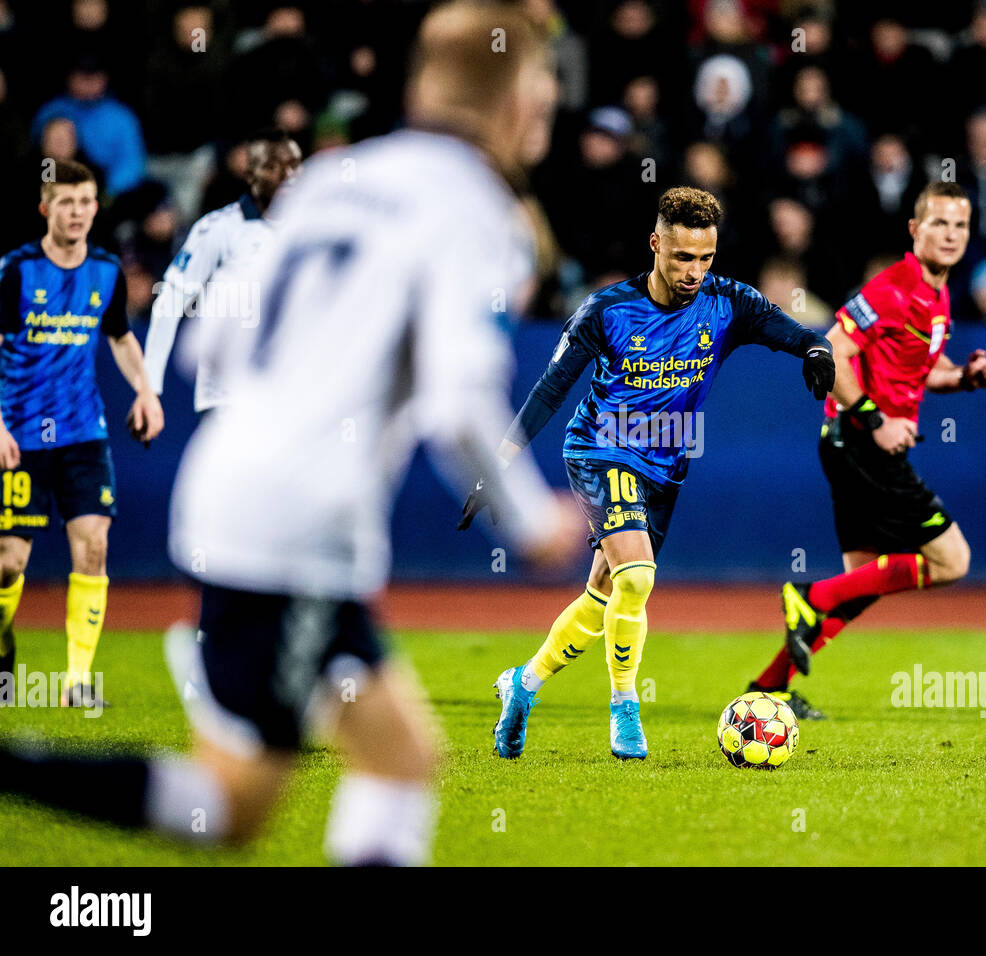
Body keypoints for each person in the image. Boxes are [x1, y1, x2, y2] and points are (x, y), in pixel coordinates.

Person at [0, 1, 578, 866]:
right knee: (235, 801)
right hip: (300, 522)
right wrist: (530, 524)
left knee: (396, 758)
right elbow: (460, 403)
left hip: (236, 479)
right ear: (518, 102)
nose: (549, 107)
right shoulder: (475, 208)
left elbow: (213, 342)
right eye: (544, 87)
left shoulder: (339, 175)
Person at [465, 185, 836, 761]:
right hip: (599, 452)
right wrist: (497, 466)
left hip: (664, 466)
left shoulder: (727, 303)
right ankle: (625, 708)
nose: (695, 271)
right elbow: (550, 389)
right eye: (683, 257)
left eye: (706, 258)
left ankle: (525, 682)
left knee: (605, 593)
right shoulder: (608, 310)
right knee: (637, 577)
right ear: (656, 244)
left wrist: (815, 350)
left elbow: (793, 332)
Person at [746, 182, 986, 718]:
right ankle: (808, 598)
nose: (951, 234)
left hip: (855, 445)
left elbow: (925, 368)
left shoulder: (937, 294)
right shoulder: (894, 287)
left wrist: (967, 378)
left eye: (960, 225)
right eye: (939, 223)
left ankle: (767, 689)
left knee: (859, 582)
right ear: (915, 230)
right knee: (953, 560)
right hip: (861, 442)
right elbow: (831, 351)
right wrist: (875, 419)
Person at [0, 160, 163, 708]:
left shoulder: (108, 271)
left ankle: (77, 679)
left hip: (82, 433)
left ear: (97, 207)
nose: (77, 212)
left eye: (86, 201)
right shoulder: (16, 270)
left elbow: (119, 337)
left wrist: (145, 390)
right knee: (8, 563)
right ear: (46, 208)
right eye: (66, 202)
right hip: (18, 435)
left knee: (93, 546)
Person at [144, 128, 302, 413]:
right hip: (227, 396)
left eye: (293, 165)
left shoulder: (309, 232)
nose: (288, 175)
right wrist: (149, 385)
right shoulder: (218, 228)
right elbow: (170, 300)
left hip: (289, 395)